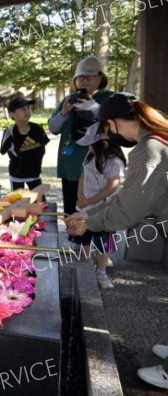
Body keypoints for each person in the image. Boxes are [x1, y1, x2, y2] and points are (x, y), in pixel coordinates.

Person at [65, 93, 168, 389]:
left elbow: (128, 210)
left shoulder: (149, 149)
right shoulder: (159, 138)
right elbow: (128, 199)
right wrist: (88, 215)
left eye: (108, 128)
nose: (111, 134)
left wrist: (87, 223)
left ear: (112, 123)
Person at [48, 55, 114, 218]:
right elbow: (53, 128)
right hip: (70, 163)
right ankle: (74, 240)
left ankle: (94, 241)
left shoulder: (109, 98)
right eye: (80, 77)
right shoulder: (70, 99)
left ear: (100, 77)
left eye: (89, 77)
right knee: (72, 207)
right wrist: (64, 112)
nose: (83, 81)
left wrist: (94, 108)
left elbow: (117, 125)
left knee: (95, 209)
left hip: (98, 165)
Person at [73, 123, 125, 289]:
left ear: (104, 144)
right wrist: (80, 196)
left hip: (104, 211)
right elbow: (83, 174)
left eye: (91, 143)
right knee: (83, 238)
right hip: (84, 207)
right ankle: (86, 266)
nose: (88, 146)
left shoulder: (115, 162)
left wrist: (90, 201)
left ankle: (101, 272)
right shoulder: (90, 154)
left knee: (104, 243)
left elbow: (112, 187)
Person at [0, 96, 49, 191]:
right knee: (18, 203)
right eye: (22, 109)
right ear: (12, 114)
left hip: (35, 175)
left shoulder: (37, 129)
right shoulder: (9, 132)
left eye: (29, 108)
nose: (27, 111)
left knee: (40, 204)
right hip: (17, 176)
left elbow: (42, 147)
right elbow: (3, 150)